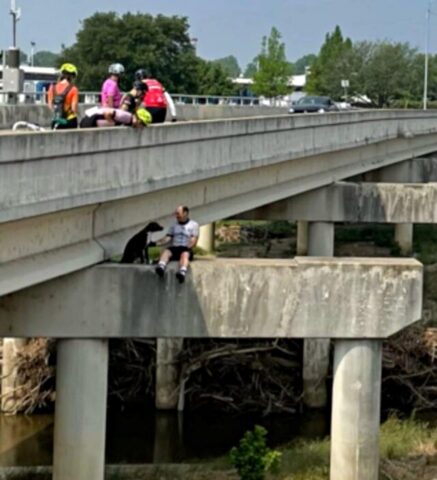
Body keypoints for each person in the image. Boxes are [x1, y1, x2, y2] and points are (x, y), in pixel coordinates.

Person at [155, 206, 199, 283]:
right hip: (175, 247)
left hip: (185, 247)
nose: (176, 216)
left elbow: (194, 239)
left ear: (185, 213)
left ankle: (182, 272)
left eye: (178, 214)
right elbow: (168, 238)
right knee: (166, 252)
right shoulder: (173, 226)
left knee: (184, 255)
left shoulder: (193, 225)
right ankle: (161, 267)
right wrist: (157, 243)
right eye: (176, 214)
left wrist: (189, 247)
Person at [47, 63, 79, 129]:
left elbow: (50, 105)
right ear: (72, 76)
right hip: (69, 121)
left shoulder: (52, 87)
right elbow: (74, 109)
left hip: (56, 120)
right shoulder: (74, 89)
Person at [79, 106, 151, 128]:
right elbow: (108, 113)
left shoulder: (129, 119)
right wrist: (112, 124)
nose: (142, 127)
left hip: (91, 120)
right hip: (91, 121)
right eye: (142, 124)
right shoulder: (127, 117)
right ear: (138, 119)